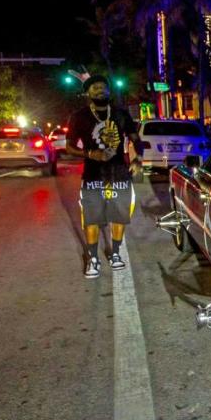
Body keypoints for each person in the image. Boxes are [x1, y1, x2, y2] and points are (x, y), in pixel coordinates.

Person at [65, 75, 143, 278]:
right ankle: (92, 258)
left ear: (109, 91)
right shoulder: (79, 116)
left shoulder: (121, 114)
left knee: (119, 216)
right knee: (91, 218)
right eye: (94, 87)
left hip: (119, 173)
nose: (99, 90)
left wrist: (138, 160)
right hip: (92, 175)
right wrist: (90, 153)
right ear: (88, 93)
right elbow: (69, 147)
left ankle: (115, 253)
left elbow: (136, 139)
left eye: (103, 86)